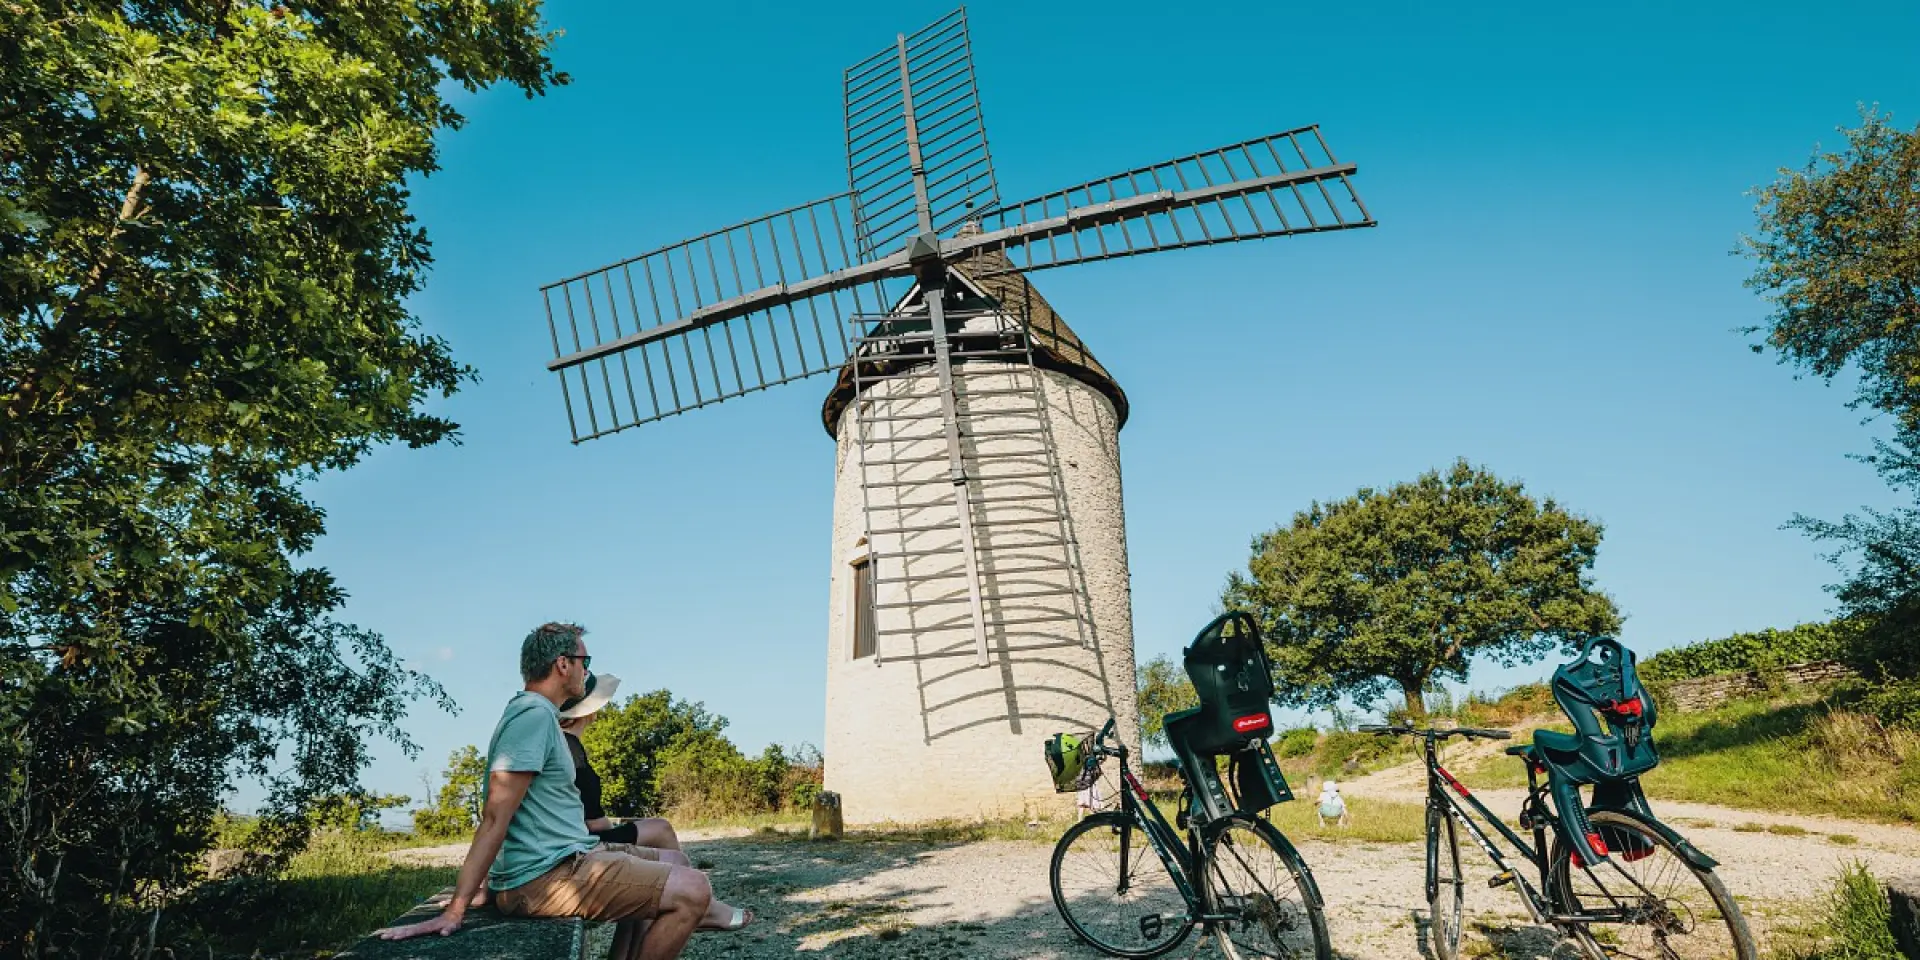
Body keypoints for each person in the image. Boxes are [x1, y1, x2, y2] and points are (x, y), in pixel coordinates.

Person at [378, 622, 746, 959]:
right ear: (563, 664)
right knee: (694, 890)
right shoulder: (533, 717)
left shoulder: (540, 716)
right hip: (545, 876)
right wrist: (456, 908)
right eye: (585, 662)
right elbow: (495, 816)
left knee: (677, 862)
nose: (587, 671)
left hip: (571, 855)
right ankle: (703, 911)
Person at [557, 672, 684, 852]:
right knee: (661, 829)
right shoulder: (571, 749)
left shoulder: (562, 743)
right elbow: (594, 822)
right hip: (579, 842)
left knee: (647, 829)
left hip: (567, 838)